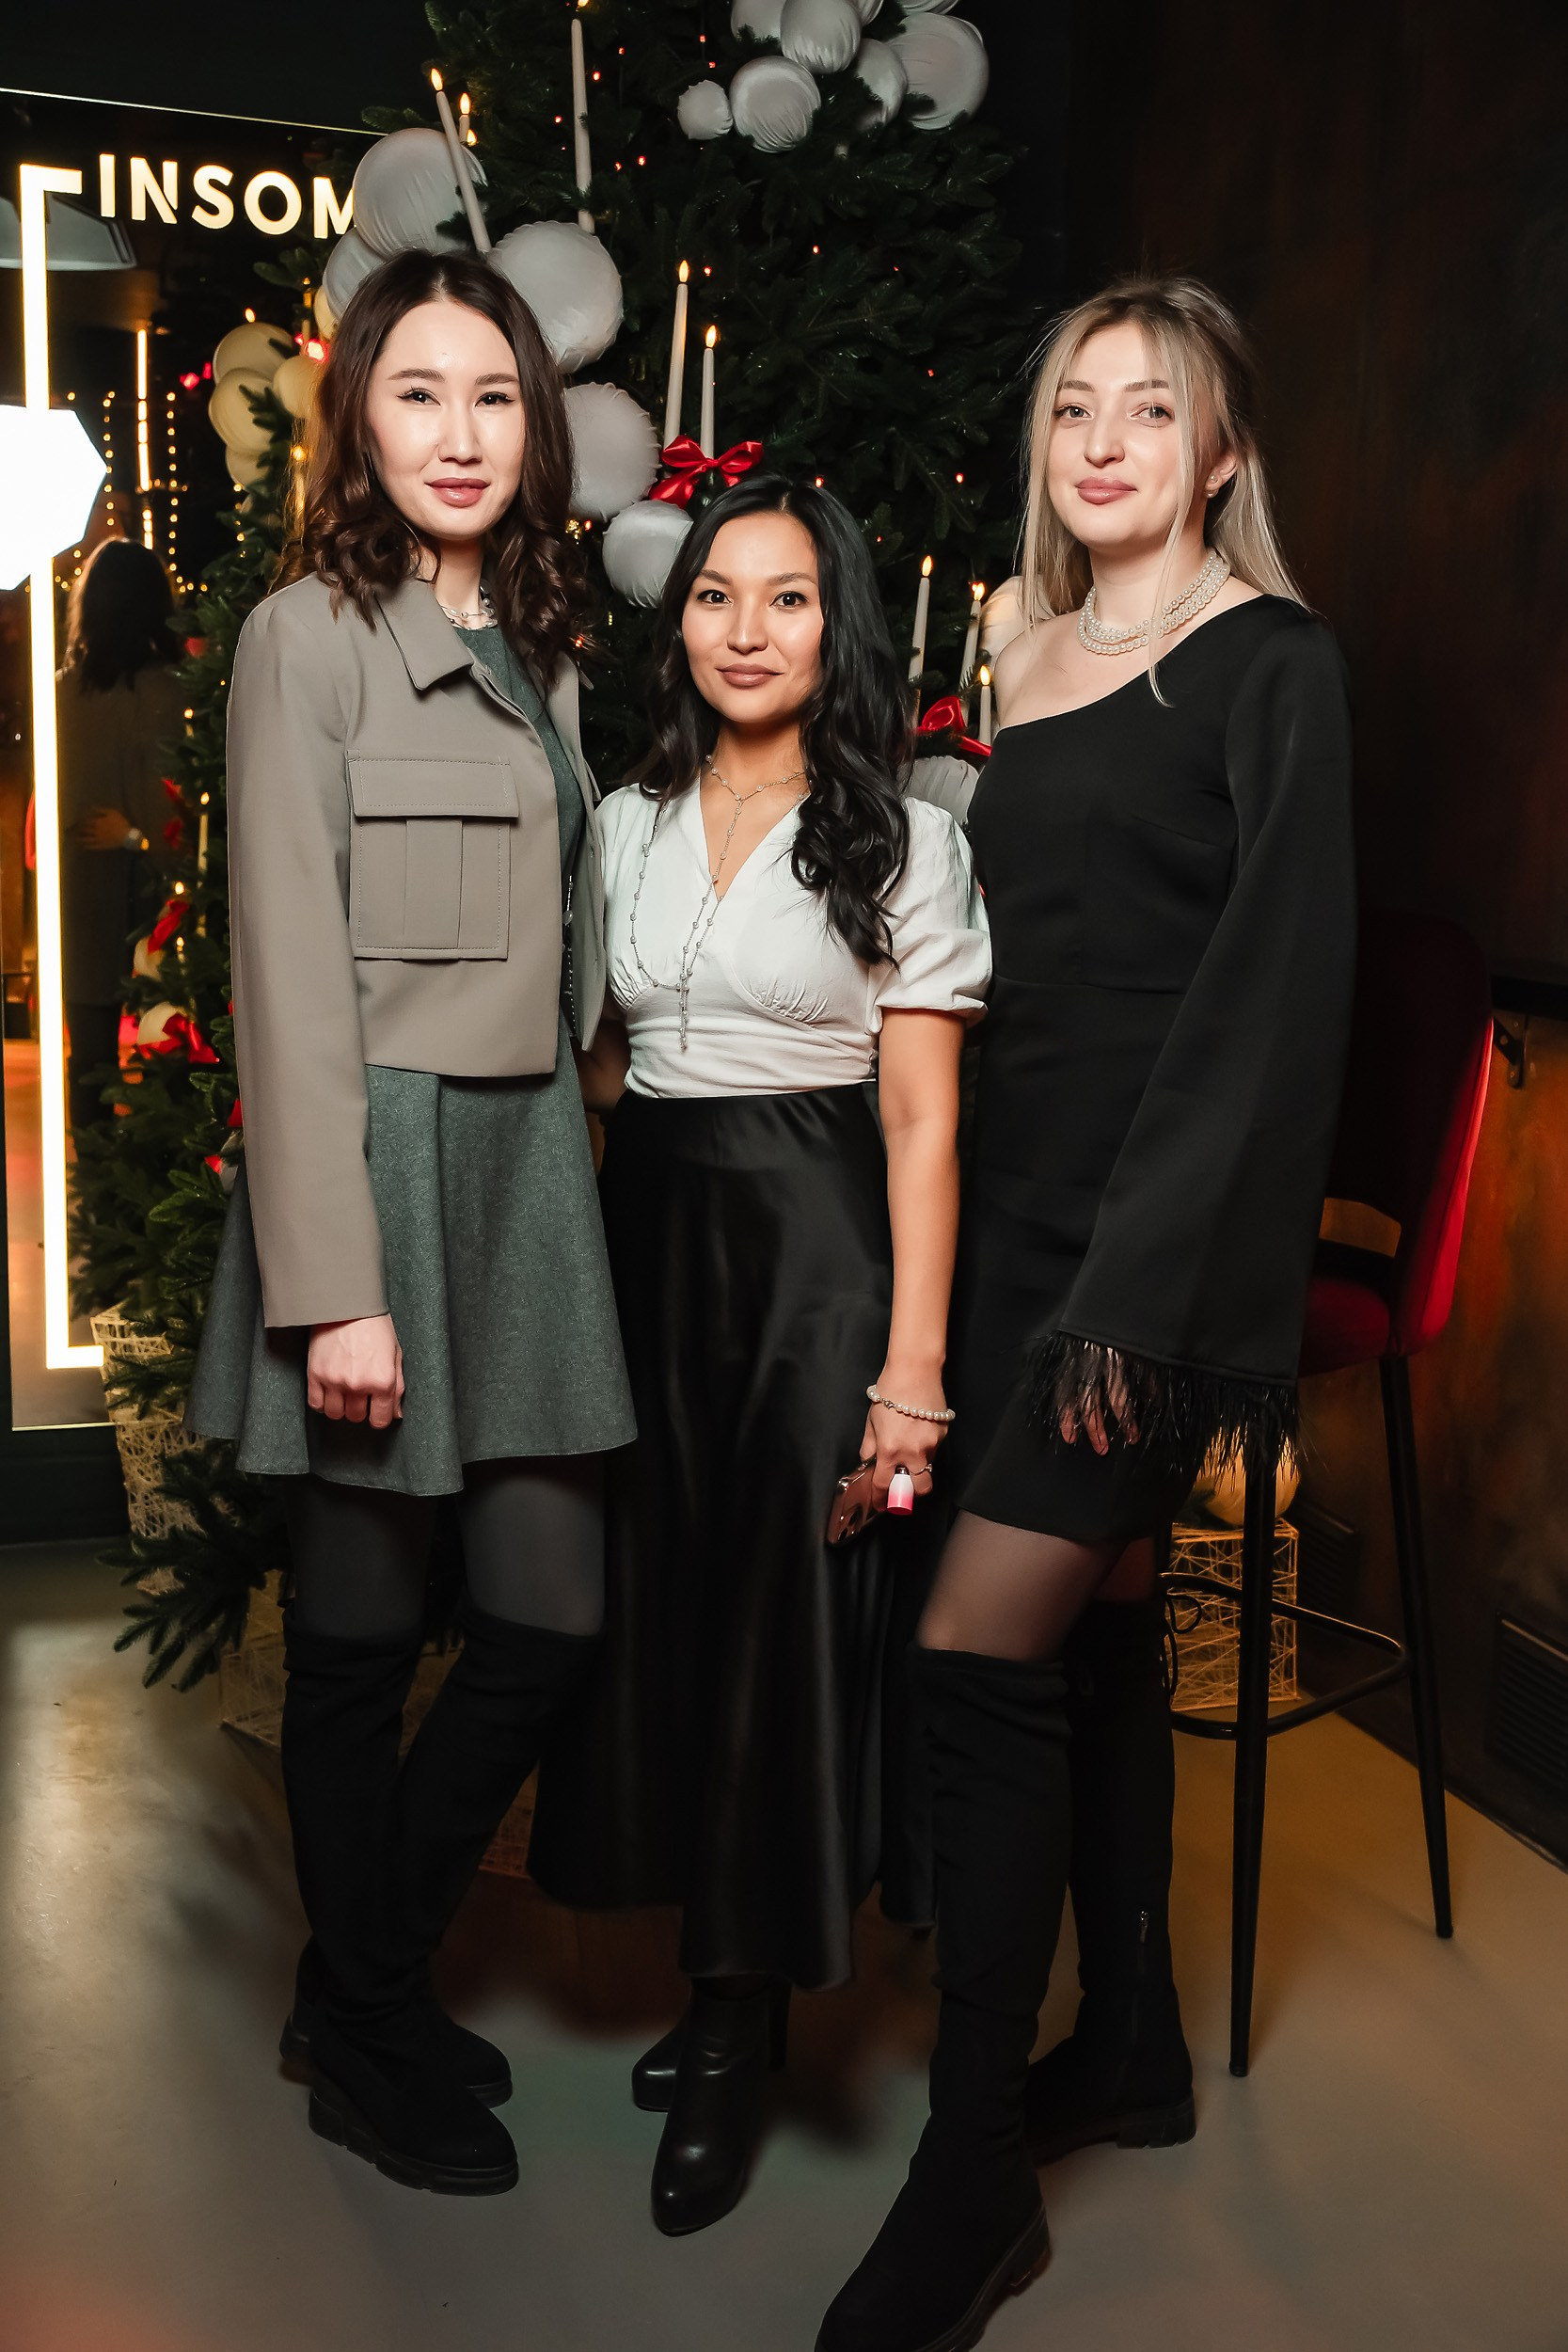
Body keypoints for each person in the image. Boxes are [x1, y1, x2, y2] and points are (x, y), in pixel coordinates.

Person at [817, 277, 1357, 2349]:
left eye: (1150, 408)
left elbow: (1268, 1001)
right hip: (1005, 1221)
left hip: (1147, 1253)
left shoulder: (1272, 660)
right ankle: (1126, 2044)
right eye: (1072, 409)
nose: (1105, 442)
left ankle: (969, 2177)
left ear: (1219, 453)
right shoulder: (1016, 648)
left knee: (975, 1647)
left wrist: (1132, 1292)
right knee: (1102, 1628)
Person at [185, 249, 634, 2197]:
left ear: (536, 426)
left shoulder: (548, 647)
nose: (461, 433)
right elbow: (287, 972)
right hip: (375, 1173)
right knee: (361, 1641)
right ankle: (370, 2031)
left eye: (495, 395)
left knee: (547, 1612)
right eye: (418, 392)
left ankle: (354, 1982)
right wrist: (334, 1288)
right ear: (357, 418)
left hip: (526, 1177)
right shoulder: (307, 635)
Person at [528, 476, 990, 2236]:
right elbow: (597, 1067)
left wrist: (909, 1374)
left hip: (815, 1264)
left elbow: (923, 1125)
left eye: (785, 598)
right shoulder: (624, 823)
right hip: (649, 1245)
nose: (744, 629)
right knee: (665, 1610)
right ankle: (714, 1970)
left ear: (832, 625)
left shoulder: (904, 841)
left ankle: (736, 2025)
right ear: (682, 623)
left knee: (779, 1627)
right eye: (716, 595)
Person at [55, 539, 183, 1132]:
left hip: (80, 897)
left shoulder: (65, 692)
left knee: (90, 1060)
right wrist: (137, 837)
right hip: (152, 899)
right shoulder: (169, 691)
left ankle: (94, 1178)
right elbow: (175, 816)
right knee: (169, 1051)